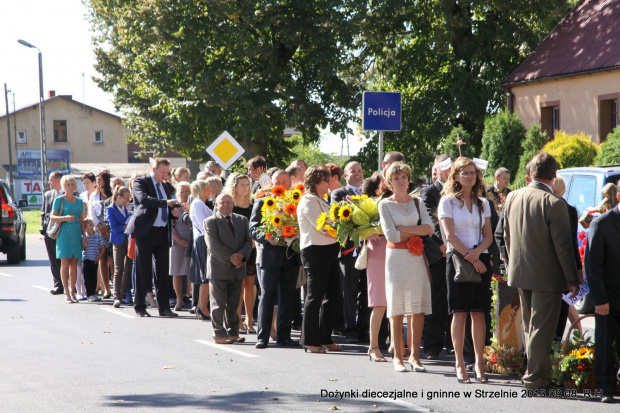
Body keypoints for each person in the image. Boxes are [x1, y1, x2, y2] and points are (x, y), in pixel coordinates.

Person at [503, 152, 580, 390]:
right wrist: (573, 279)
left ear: (531, 174)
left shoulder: (513, 197)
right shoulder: (555, 203)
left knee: (530, 327)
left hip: (520, 271)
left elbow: (507, 237)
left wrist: (512, 265)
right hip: (547, 276)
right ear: (554, 174)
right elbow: (564, 246)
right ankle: (536, 379)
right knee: (540, 330)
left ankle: (537, 375)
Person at [439, 158, 495, 383]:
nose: (469, 176)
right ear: (455, 176)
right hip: (458, 260)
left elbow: (489, 235)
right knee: (459, 313)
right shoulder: (447, 202)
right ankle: (460, 364)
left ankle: (479, 364)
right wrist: (472, 258)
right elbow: (450, 236)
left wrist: (477, 254)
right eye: (464, 173)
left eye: (472, 172)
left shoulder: (484, 203)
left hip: (479, 257)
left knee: (479, 313)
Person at [379, 162, 433, 372]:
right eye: (396, 178)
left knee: (417, 307)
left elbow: (429, 228)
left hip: (416, 256)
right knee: (397, 307)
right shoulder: (384, 204)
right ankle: (398, 358)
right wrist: (415, 230)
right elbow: (391, 235)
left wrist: (404, 229)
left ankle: (415, 356)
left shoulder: (418, 202)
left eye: (403, 177)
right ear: (389, 182)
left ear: (408, 179)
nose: (401, 181)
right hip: (396, 258)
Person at [250, 170, 301, 348]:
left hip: (291, 256)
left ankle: (284, 336)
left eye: (284, 181)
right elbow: (253, 228)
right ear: (271, 184)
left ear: (290, 182)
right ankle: (262, 337)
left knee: (287, 298)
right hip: (269, 257)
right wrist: (267, 236)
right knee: (267, 296)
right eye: (277, 181)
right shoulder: (263, 202)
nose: (280, 184)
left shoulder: (298, 202)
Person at [126, 158, 181, 317]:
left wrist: (172, 212)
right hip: (145, 231)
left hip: (162, 231)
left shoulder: (164, 186)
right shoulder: (141, 182)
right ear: (154, 169)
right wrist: (166, 203)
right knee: (143, 270)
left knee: (162, 271)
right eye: (163, 172)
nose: (165, 175)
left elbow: (164, 207)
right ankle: (140, 307)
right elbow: (144, 200)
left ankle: (164, 308)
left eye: (167, 172)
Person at [297, 164, 343, 353]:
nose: (329, 182)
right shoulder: (308, 200)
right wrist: (344, 230)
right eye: (326, 179)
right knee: (314, 296)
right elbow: (323, 226)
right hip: (315, 251)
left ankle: (325, 337)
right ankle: (310, 340)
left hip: (329, 250)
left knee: (334, 296)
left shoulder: (322, 199)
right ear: (315, 181)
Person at [585, 187, 620, 404]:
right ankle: (604, 386)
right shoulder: (602, 223)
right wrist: (600, 299)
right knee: (605, 343)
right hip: (608, 297)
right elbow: (592, 265)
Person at [204, 194, 253, 344]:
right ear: (216, 204)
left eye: (228, 202)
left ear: (233, 204)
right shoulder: (210, 222)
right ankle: (219, 334)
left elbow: (248, 241)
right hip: (219, 268)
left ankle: (233, 332)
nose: (225, 205)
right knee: (218, 304)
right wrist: (234, 259)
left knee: (233, 303)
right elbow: (214, 246)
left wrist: (241, 256)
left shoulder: (242, 220)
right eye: (222, 202)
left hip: (237, 269)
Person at [419, 154, 452, 360]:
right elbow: (431, 221)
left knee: (455, 300)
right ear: (436, 170)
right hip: (439, 253)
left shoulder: (459, 190)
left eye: (451, 168)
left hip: (459, 251)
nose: (449, 172)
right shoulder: (429, 192)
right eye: (445, 168)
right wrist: (443, 244)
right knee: (437, 299)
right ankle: (432, 345)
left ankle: (452, 342)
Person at [330, 161, 367, 344]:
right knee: (349, 291)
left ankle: (364, 327)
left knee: (367, 291)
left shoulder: (367, 193)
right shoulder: (338, 194)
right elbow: (336, 218)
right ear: (345, 175)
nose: (357, 174)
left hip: (368, 249)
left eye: (360, 171)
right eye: (353, 171)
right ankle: (350, 328)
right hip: (349, 249)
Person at [362, 172, 390, 362]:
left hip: (401, 253)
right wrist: (379, 229)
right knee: (379, 304)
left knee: (398, 304)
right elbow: (362, 232)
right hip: (378, 255)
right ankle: (373, 347)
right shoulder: (373, 203)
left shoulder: (407, 200)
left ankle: (396, 344)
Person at [224, 173, 257, 334]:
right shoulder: (230, 205)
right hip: (236, 249)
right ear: (234, 186)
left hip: (252, 249)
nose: (246, 188)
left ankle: (250, 320)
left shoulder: (253, 204)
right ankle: (237, 320)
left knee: (250, 285)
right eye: (242, 185)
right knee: (237, 285)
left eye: (247, 184)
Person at [50, 176, 87, 304]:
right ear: (63, 186)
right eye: (68, 184)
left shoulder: (79, 201)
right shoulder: (59, 200)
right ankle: (66, 292)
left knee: (74, 264)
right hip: (64, 235)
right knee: (65, 264)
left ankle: (73, 291)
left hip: (76, 234)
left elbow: (82, 220)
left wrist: (84, 236)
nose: (70, 187)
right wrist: (65, 217)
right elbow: (52, 218)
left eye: (72, 184)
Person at [107, 186, 133, 308]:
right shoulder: (111, 209)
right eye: (126, 198)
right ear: (119, 197)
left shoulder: (127, 208)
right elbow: (113, 227)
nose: (128, 200)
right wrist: (125, 227)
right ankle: (116, 296)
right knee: (118, 268)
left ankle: (123, 294)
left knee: (128, 267)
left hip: (128, 239)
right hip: (118, 240)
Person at [90, 171, 113, 298]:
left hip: (112, 229)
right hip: (100, 230)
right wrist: (100, 228)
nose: (98, 182)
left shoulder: (114, 193)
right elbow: (92, 213)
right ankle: (106, 290)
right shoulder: (94, 196)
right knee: (103, 258)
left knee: (113, 260)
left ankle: (116, 288)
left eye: (100, 179)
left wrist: (108, 228)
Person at [170, 182, 192, 311]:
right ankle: (178, 299)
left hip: (192, 240)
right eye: (181, 191)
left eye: (186, 191)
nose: (184, 194)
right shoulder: (173, 207)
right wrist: (180, 240)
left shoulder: (193, 205)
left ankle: (193, 298)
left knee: (193, 272)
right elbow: (170, 227)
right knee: (177, 272)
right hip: (177, 242)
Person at [41, 171, 64, 295]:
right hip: (50, 232)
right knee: (53, 260)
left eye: (51, 180)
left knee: (65, 259)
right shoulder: (48, 195)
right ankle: (58, 285)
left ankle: (70, 284)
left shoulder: (68, 194)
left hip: (64, 231)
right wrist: (43, 228)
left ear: (58, 180)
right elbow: (43, 212)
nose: (49, 182)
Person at [82, 218, 106, 302]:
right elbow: (82, 248)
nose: (90, 223)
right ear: (85, 227)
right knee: (87, 278)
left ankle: (93, 293)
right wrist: (84, 245)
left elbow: (103, 247)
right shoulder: (85, 237)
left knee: (94, 278)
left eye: (91, 222)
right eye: (88, 223)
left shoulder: (98, 236)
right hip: (86, 260)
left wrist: (99, 256)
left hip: (95, 260)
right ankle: (89, 294)